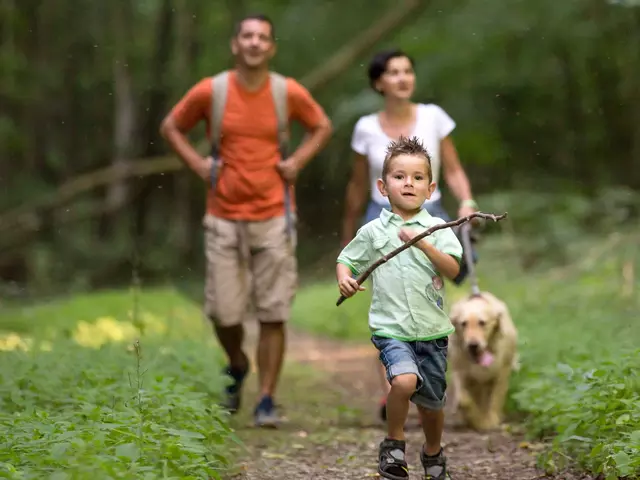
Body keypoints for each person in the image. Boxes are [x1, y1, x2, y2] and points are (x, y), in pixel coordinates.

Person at [160, 13, 333, 427]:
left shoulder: (285, 91)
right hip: (222, 216)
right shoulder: (212, 90)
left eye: (263, 38)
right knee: (225, 313)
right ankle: (237, 363)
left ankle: (267, 399)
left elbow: (322, 125)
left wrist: (297, 162)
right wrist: (200, 167)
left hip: (274, 216)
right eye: (247, 36)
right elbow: (171, 126)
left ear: (271, 48)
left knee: (273, 313)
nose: (255, 43)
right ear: (235, 45)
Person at [340, 48, 479, 421]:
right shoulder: (365, 127)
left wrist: (466, 201)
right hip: (379, 215)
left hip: (431, 216)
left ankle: (430, 375)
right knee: (389, 303)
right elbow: (357, 184)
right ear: (378, 83)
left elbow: (452, 169)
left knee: (428, 294)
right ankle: (393, 390)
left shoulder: (433, 117)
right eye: (393, 72)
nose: (403, 78)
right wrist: (348, 232)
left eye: (407, 71)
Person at [337, 136, 460, 480]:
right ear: (382, 186)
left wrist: (422, 244)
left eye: (418, 177)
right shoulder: (374, 232)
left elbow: (452, 269)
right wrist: (345, 279)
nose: (409, 183)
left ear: (431, 188)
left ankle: (433, 453)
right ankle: (393, 444)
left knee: (433, 405)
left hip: (432, 331)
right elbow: (346, 259)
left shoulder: (440, 230)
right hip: (392, 330)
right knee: (403, 382)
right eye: (399, 176)